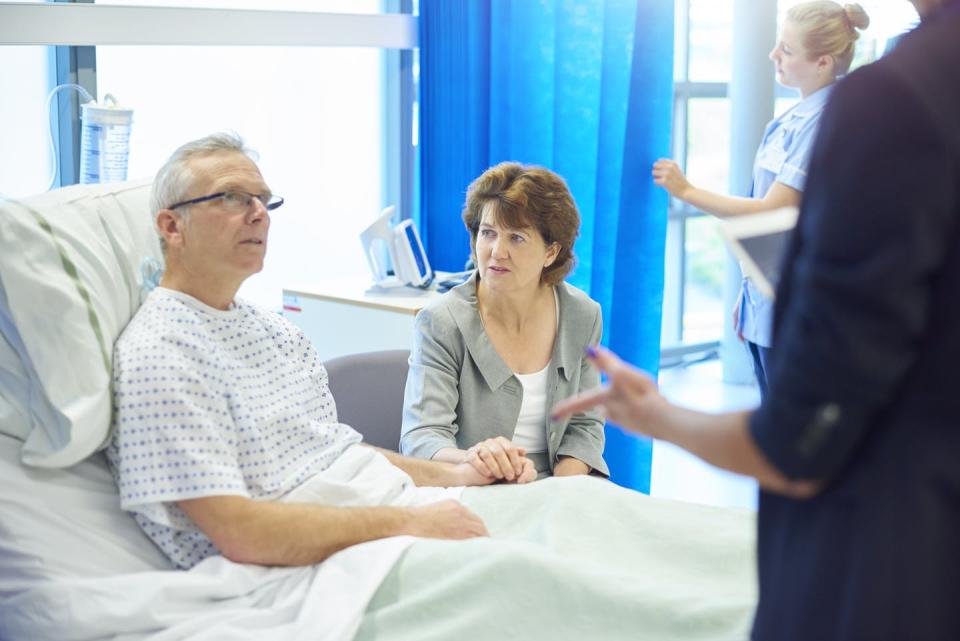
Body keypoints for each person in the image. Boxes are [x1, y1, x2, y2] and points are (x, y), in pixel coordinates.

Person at [555, 0, 960, 638]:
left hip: (896, 557)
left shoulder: (895, 102)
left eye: (786, 50)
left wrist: (660, 417)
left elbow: (799, 443)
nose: (775, 59)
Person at [106, 133, 538, 571]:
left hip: (396, 508)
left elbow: (335, 451)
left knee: (580, 514)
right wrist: (413, 522)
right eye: (233, 198)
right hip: (338, 560)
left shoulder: (277, 334)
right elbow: (242, 533)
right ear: (171, 226)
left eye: (263, 200)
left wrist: (460, 474)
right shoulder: (161, 356)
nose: (259, 214)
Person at [652, 1, 870, 397]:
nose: (774, 56)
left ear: (822, 62)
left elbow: (775, 209)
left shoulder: (825, 121)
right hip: (767, 304)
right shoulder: (792, 119)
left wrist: (687, 192)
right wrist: (748, 295)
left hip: (798, 309)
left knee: (791, 439)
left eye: (786, 49)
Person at [400, 162, 608, 481]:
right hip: (471, 482)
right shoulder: (441, 321)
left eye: (517, 238)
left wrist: (564, 491)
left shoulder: (582, 314)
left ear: (551, 252)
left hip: (558, 482)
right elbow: (422, 437)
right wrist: (477, 460)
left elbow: (584, 425)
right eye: (488, 233)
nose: (497, 251)